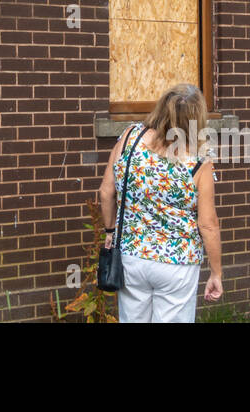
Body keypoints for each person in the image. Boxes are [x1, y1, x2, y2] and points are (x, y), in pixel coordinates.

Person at [97, 83, 223, 322]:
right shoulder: (199, 161)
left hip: (132, 255)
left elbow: (105, 192)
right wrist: (216, 272)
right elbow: (208, 224)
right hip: (177, 264)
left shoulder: (129, 138)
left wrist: (110, 231)